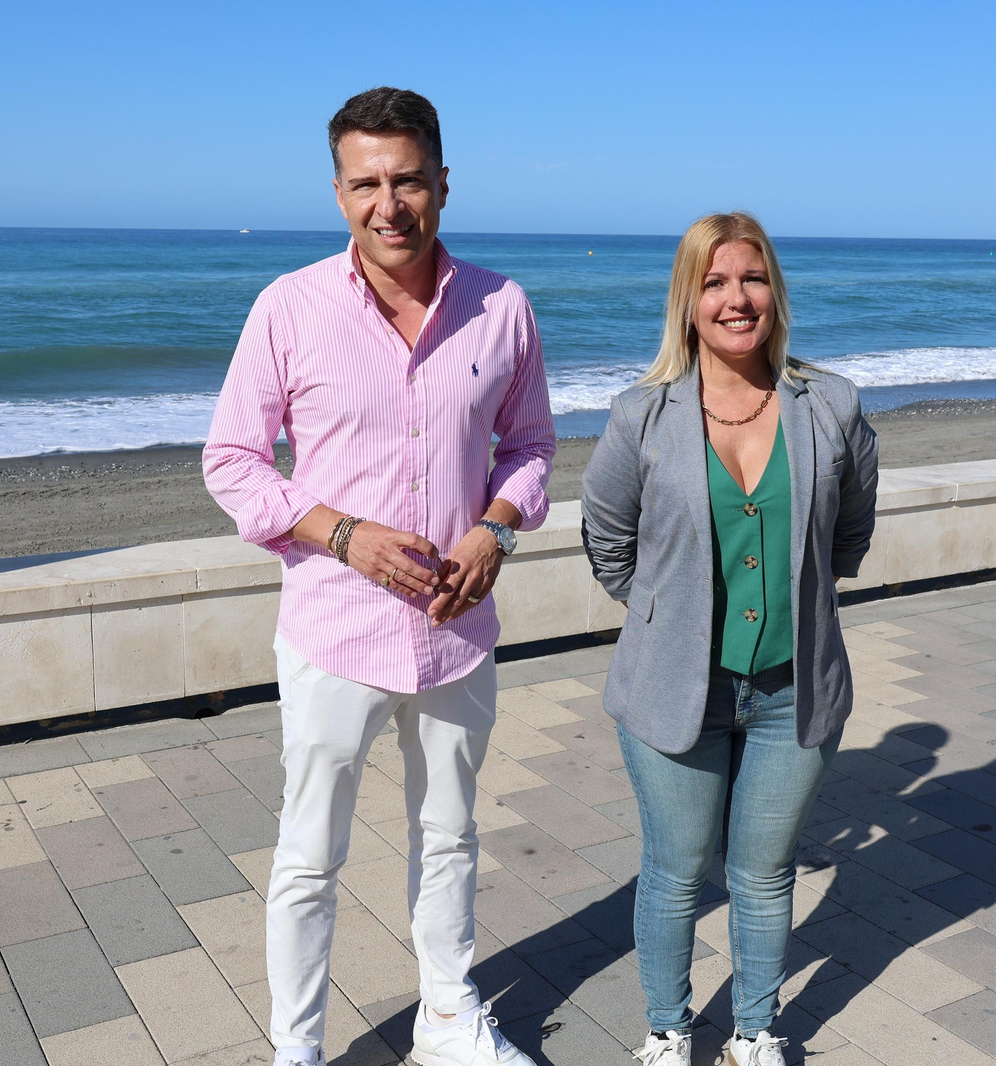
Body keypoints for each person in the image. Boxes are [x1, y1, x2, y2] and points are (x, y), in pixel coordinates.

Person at [203, 87, 555, 1066]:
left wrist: (495, 532)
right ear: (337, 191)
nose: (388, 205)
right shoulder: (289, 306)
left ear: (442, 182)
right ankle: (298, 1050)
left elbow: (530, 446)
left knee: (449, 833)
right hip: (334, 629)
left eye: (407, 181)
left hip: (455, 629)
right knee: (309, 855)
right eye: (366, 184)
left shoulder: (501, 306)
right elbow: (231, 459)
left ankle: (447, 1017)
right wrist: (343, 535)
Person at [580, 212, 878, 1066]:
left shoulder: (831, 405)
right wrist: (665, 616)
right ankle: (667, 1032)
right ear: (688, 300)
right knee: (675, 871)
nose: (735, 298)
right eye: (714, 282)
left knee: (763, 872)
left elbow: (851, 531)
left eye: (751, 279)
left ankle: (755, 1032)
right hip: (674, 689)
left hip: (794, 691)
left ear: (774, 292)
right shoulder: (640, 416)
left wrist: (802, 596)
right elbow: (606, 541)